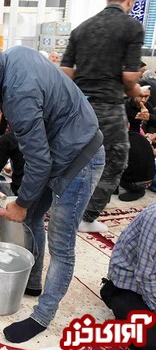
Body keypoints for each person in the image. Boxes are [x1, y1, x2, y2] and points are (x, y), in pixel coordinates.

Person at [0, 29, 105, 343]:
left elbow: (38, 160)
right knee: (29, 217)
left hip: (80, 159)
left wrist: (22, 202)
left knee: (61, 243)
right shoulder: (12, 56)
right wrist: (23, 203)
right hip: (62, 149)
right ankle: (32, 282)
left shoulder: (18, 93)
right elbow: (38, 153)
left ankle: (42, 317)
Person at [60, 0, 145, 233]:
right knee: (115, 160)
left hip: (80, 107)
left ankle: (62, 207)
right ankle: (87, 216)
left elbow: (65, 73)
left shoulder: (82, 28)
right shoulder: (132, 27)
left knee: (75, 159)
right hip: (108, 106)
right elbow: (129, 78)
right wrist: (136, 91)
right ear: (129, 2)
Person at [100, 201, 156, 350]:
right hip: (130, 285)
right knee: (149, 342)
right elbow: (145, 274)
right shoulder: (154, 218)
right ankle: (113, 296)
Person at [117, 130, 155, 201]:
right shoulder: (139, 137)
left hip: (133, 183)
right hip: (149, 180)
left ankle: (135, 190)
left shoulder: (119, 140)